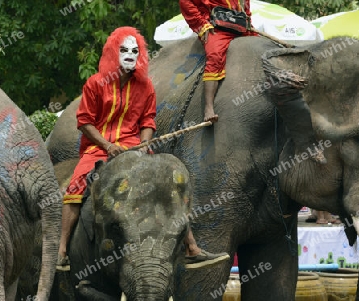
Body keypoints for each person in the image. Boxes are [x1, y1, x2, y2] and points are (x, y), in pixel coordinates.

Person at [56, 26, 229, 271]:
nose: (129, 54)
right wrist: (107, 145)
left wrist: (144, 144)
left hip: (133, 147)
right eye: (124, 49)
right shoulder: (95, 84)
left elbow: (148, 121)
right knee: (75, 187)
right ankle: (61, 251)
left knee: (168, 185)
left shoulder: (145, 86)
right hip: (98, 149)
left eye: (134, 50)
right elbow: (84, 121)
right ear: (113, 53)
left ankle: (191, 248)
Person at [179, 0, 258, 123]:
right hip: (216, 28)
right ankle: (209, 107)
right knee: (215, 56)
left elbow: (244, 5)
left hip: (239, 26)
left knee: (261, 48)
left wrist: (248, 20)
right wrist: (201, 24)